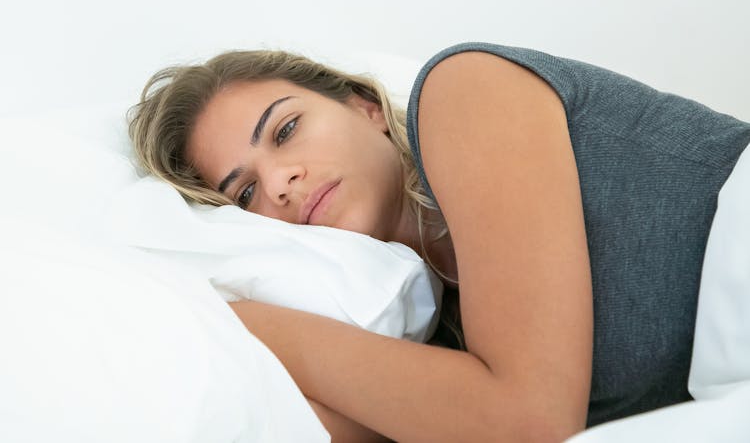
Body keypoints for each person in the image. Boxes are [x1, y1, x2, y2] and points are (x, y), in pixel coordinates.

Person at [128, 42, 750, 442]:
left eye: (287, 130)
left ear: (366, 106)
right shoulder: (431, 341)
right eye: (244, 194)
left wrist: (235, 318)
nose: (280, 183)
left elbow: (528, 423)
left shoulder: (466, 91)